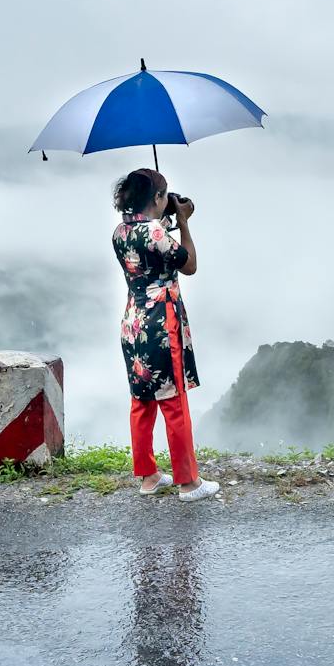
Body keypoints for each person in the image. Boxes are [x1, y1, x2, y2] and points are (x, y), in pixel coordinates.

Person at [113, 167, 219, 502]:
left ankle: (148, 476)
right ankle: (188, 482)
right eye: (165, 194)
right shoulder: (156, 233)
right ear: (156, 198)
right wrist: (184, 221)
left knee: (142, 400)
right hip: (163, 321)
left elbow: (150, 250)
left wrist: (165, 219)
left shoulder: (120, 232)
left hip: (134, 321)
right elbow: (188, 264)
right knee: (174, 400)